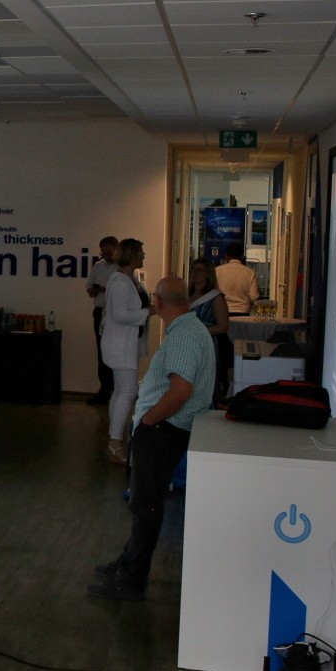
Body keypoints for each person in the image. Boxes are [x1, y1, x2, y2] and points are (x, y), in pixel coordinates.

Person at [89, 275, 217, 600]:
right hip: (165, 429)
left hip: (162, 430)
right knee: (144, 502)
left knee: (145, 506)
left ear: (158, 302)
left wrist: (148, 421)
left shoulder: (183, 336)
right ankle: (127, 561)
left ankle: (132, 580)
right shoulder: (189, 329)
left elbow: (180, 390)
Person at [97, 238, 149, 465]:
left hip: (125, 344)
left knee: (120, 391)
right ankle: (115, 441)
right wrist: (149, 312)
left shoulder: (129, 279)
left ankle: (115, 436)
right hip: (119, 345)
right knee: (128, 391)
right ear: (131, 255)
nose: (143, 256)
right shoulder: (119, 282)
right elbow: (119, 314)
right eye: (140, 252)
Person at [187, 259, 233, 407]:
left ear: (208, 274)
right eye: (193, 269)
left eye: (199, 270)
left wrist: (199, 331)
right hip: (188, 345)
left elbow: (223, 326)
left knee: (204, 383)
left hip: (207, 345)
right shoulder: (187, 295)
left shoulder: (216, 297)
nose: (195, 273)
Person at [84, 235, 117, 405]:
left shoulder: (123, 268)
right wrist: (98, 289)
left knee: (116, 351)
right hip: (100, 311)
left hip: (116, 313)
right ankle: (104, 390)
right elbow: (90, 290)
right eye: (103, 253)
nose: (106, 256)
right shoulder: (98, 266)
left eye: (109, 253)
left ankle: (117, 390)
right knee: (102, 352)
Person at [215, 243, 260, 316]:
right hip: (243, 313)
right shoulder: (250, 273)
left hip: (221, 312)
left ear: (226, 256)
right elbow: (253, 297)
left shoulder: (217, 271)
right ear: (242, 256)